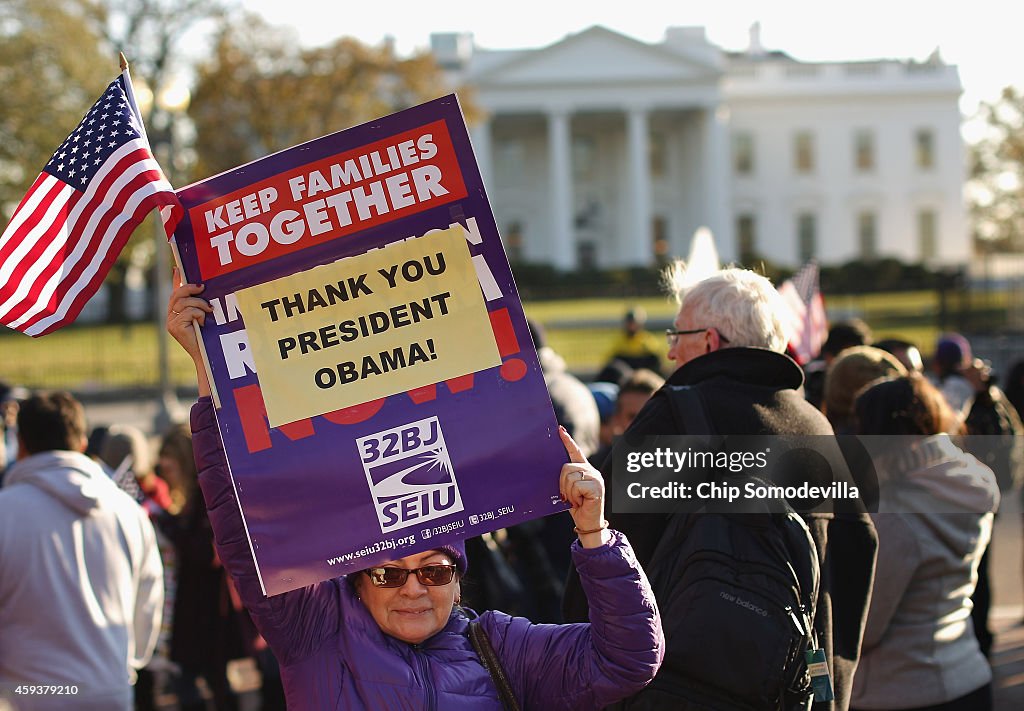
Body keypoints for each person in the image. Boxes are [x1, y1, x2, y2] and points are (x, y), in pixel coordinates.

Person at [167, 276, 664, 710]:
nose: (413, 588)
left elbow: (627, 659)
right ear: (358, 579)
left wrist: (596, 534)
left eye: (434, 570)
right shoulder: (316, 632)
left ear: (457, 577)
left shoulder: (499, 647)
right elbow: (243, 522)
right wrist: (209, 373)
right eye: (387, 574)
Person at [564, 265, 877, 711]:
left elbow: (603, 547)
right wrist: (829, 694)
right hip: (791, 692)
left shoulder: (677, 416)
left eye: (678, 335)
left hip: (679, 689)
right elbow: (853, 563)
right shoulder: (816, 427)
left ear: (709, 341)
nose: (670, 353)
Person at [0, 391, 164, 710]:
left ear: (21, 445)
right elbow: (149, 605)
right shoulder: (128, 511)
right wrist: (121, 666)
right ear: (83, 443)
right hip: (110, 689)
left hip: (28, 696)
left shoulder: (6, 513)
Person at [851, 374, 997, 711]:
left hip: (902, 688)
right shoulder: (965, 481)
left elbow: (865, 627)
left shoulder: (896, 513)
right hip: (966, 672)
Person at [602, 307, 664, 374]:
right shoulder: (619, 341)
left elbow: (657, 363)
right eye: (629, 323)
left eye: (633, 323)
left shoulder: (648, 341)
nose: (631, 326)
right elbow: (611, 362)